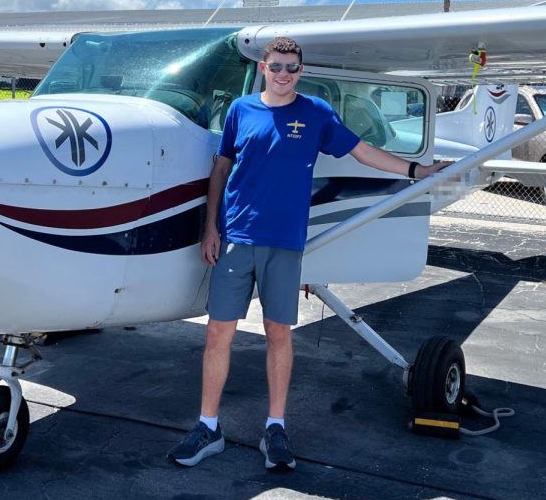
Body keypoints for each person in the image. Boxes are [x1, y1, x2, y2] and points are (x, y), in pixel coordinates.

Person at [167, 36, 448, 470]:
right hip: (237, 239)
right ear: (264, 67)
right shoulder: (241, 111)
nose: (284, 75)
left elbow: (361, 151)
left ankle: (275, 427)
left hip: (285, 242)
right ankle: (208, 427)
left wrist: (417, 170)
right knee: (217, 333)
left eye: (292, 68)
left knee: (279, 335)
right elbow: (221, 167)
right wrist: (211, 227)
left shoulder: (315, 113)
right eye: (276, 66)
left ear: (301, 71)